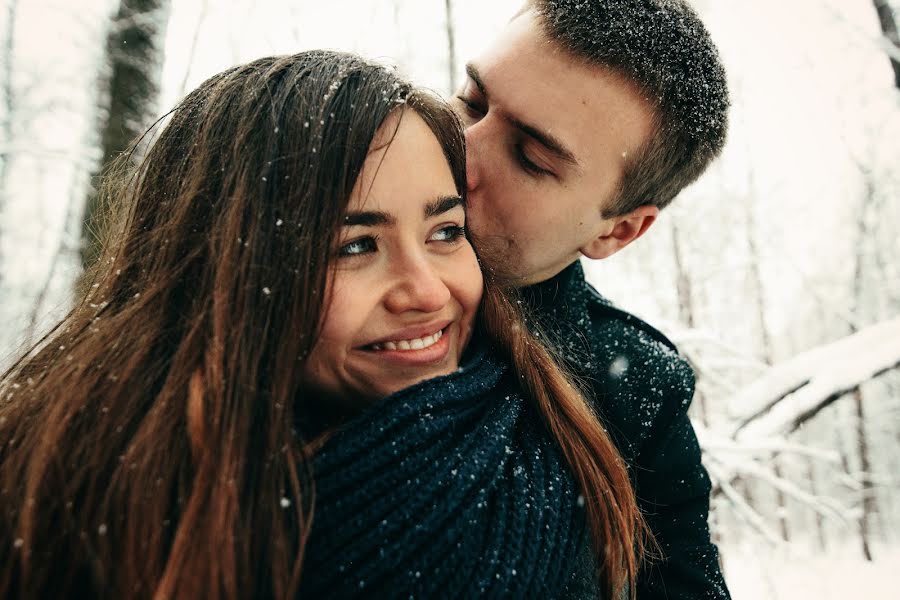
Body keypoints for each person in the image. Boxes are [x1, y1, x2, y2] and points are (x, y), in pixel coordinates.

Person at [0, 50, 644, 599]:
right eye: (356, 245)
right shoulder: (68, 498)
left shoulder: (559, 438)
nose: (426, 291)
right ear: (227, 269)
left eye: (446, 232)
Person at [451, 0, 732, 598]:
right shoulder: (279, 266)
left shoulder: (634, 394)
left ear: (616, 230)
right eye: (471, 102)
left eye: (531, 158)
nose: (459, 153)